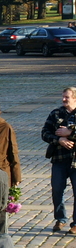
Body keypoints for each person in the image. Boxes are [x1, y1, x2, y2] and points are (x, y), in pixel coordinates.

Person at [42, 86, 76, 234]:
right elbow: (45, 133)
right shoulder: (56, 113)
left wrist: (71, 133)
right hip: (59, 159)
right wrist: (59, 140)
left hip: (75, 161)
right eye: (63, 96)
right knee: (57, 189)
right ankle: (60, 218)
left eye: (67, 97)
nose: (63, 99)